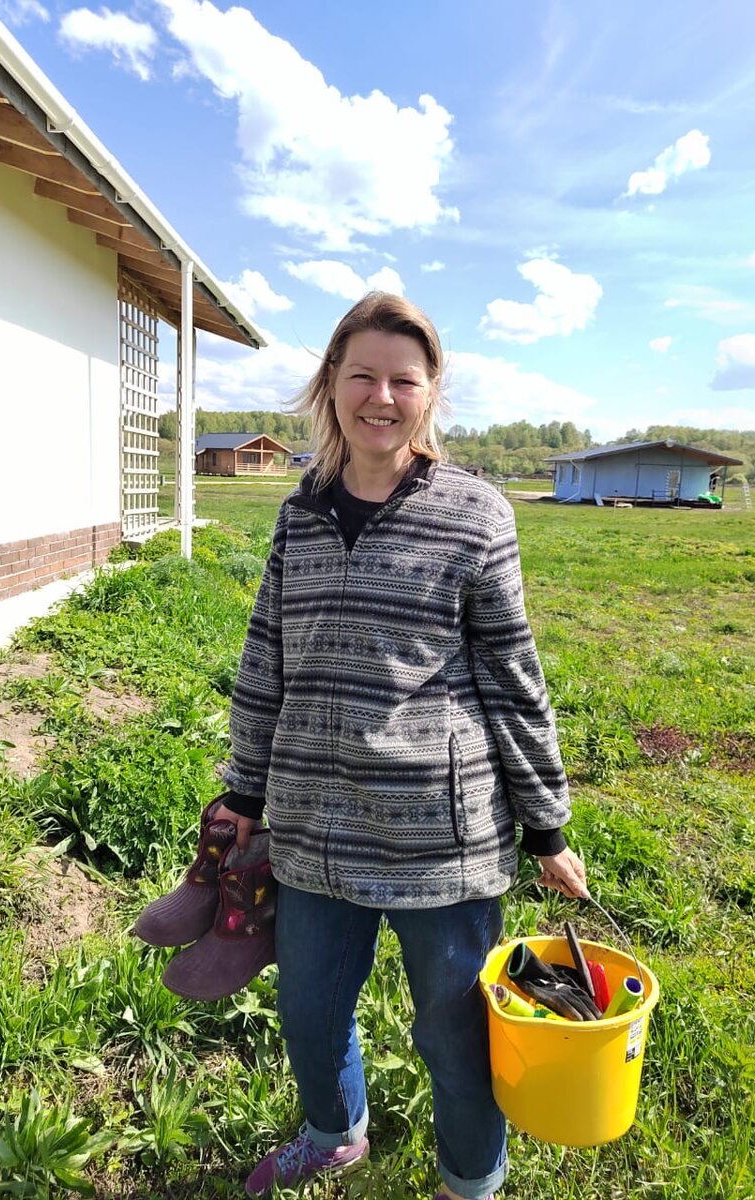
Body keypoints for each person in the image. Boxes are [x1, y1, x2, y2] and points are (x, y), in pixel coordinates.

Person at [216, 292, 589, 1200]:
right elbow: (267, 650)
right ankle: (334, 1132)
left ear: (431, 395)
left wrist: (546, 827)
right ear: (330, 386)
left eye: (403, 381)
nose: (381, 397)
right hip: (311, 828)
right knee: (307, 1013)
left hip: (440, 840)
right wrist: (244, 790)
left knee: (455, 1035)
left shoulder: (474, 512)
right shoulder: (300, 509)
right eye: (362, 377)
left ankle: (472, 1181)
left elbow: (512, 673)